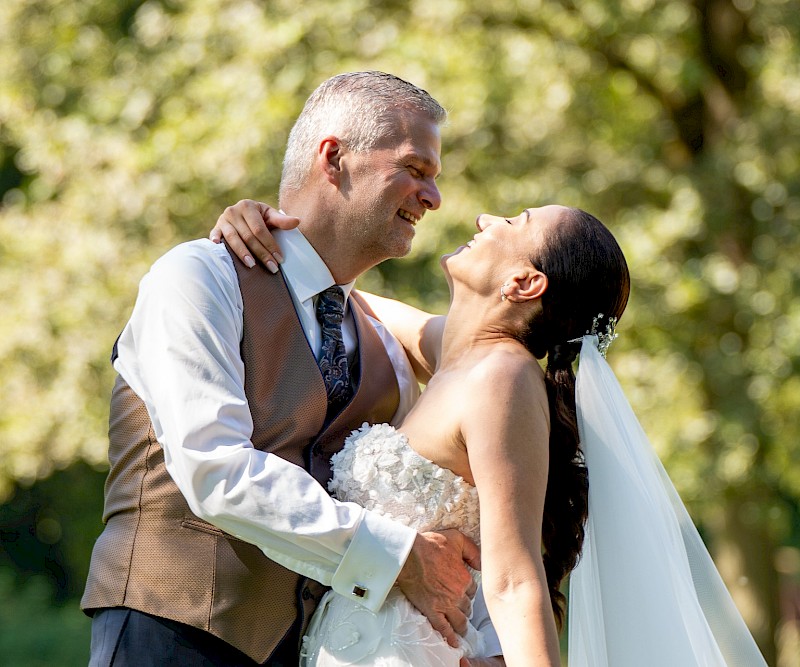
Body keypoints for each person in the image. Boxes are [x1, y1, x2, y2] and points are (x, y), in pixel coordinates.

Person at [215, 201, 769, 666]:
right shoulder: (462, 358)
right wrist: (261, 227)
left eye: (514, 222)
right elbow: (341, 293)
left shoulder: (502, 378)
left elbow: (515, 579)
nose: (485, 219)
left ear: (524, 282)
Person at [81, 71, 502, 667]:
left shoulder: (386, 352)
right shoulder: (200, 278)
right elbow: (214, 469)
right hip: (167, 635)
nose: (434, 199)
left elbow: (444, 503)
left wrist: (492, 646)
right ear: (334, 157)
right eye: (416, 169)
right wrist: (397, 558)